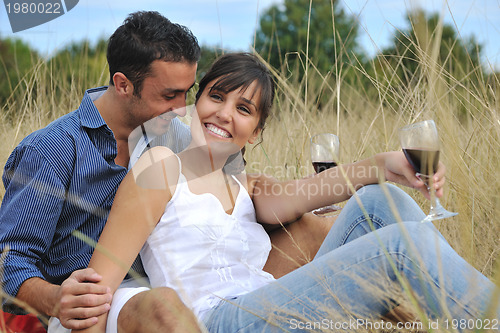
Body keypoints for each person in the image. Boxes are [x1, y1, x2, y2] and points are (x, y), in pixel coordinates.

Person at [84, 52, 500, 332]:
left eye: (244, 110)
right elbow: (97, 288)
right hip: (216, 321)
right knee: (394, 249)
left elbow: (306, 194)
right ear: (196, 102)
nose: (224, 114)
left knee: (378, 202)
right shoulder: (159, 166)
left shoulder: (244, 185)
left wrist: (384, 165)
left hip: (267, 302)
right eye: (216, 96)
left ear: (256, 132)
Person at [0, 11, 335, 333]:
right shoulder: (50, 151)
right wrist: (56, 298)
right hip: (97, 307)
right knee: (162, 306)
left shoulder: (178, 134)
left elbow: (228, 195)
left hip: (182, 288)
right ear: (123, 85)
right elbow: (8, 264)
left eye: (188, 92)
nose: (182, 108)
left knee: (314, 228)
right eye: (169, 95)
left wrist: (295, 192)